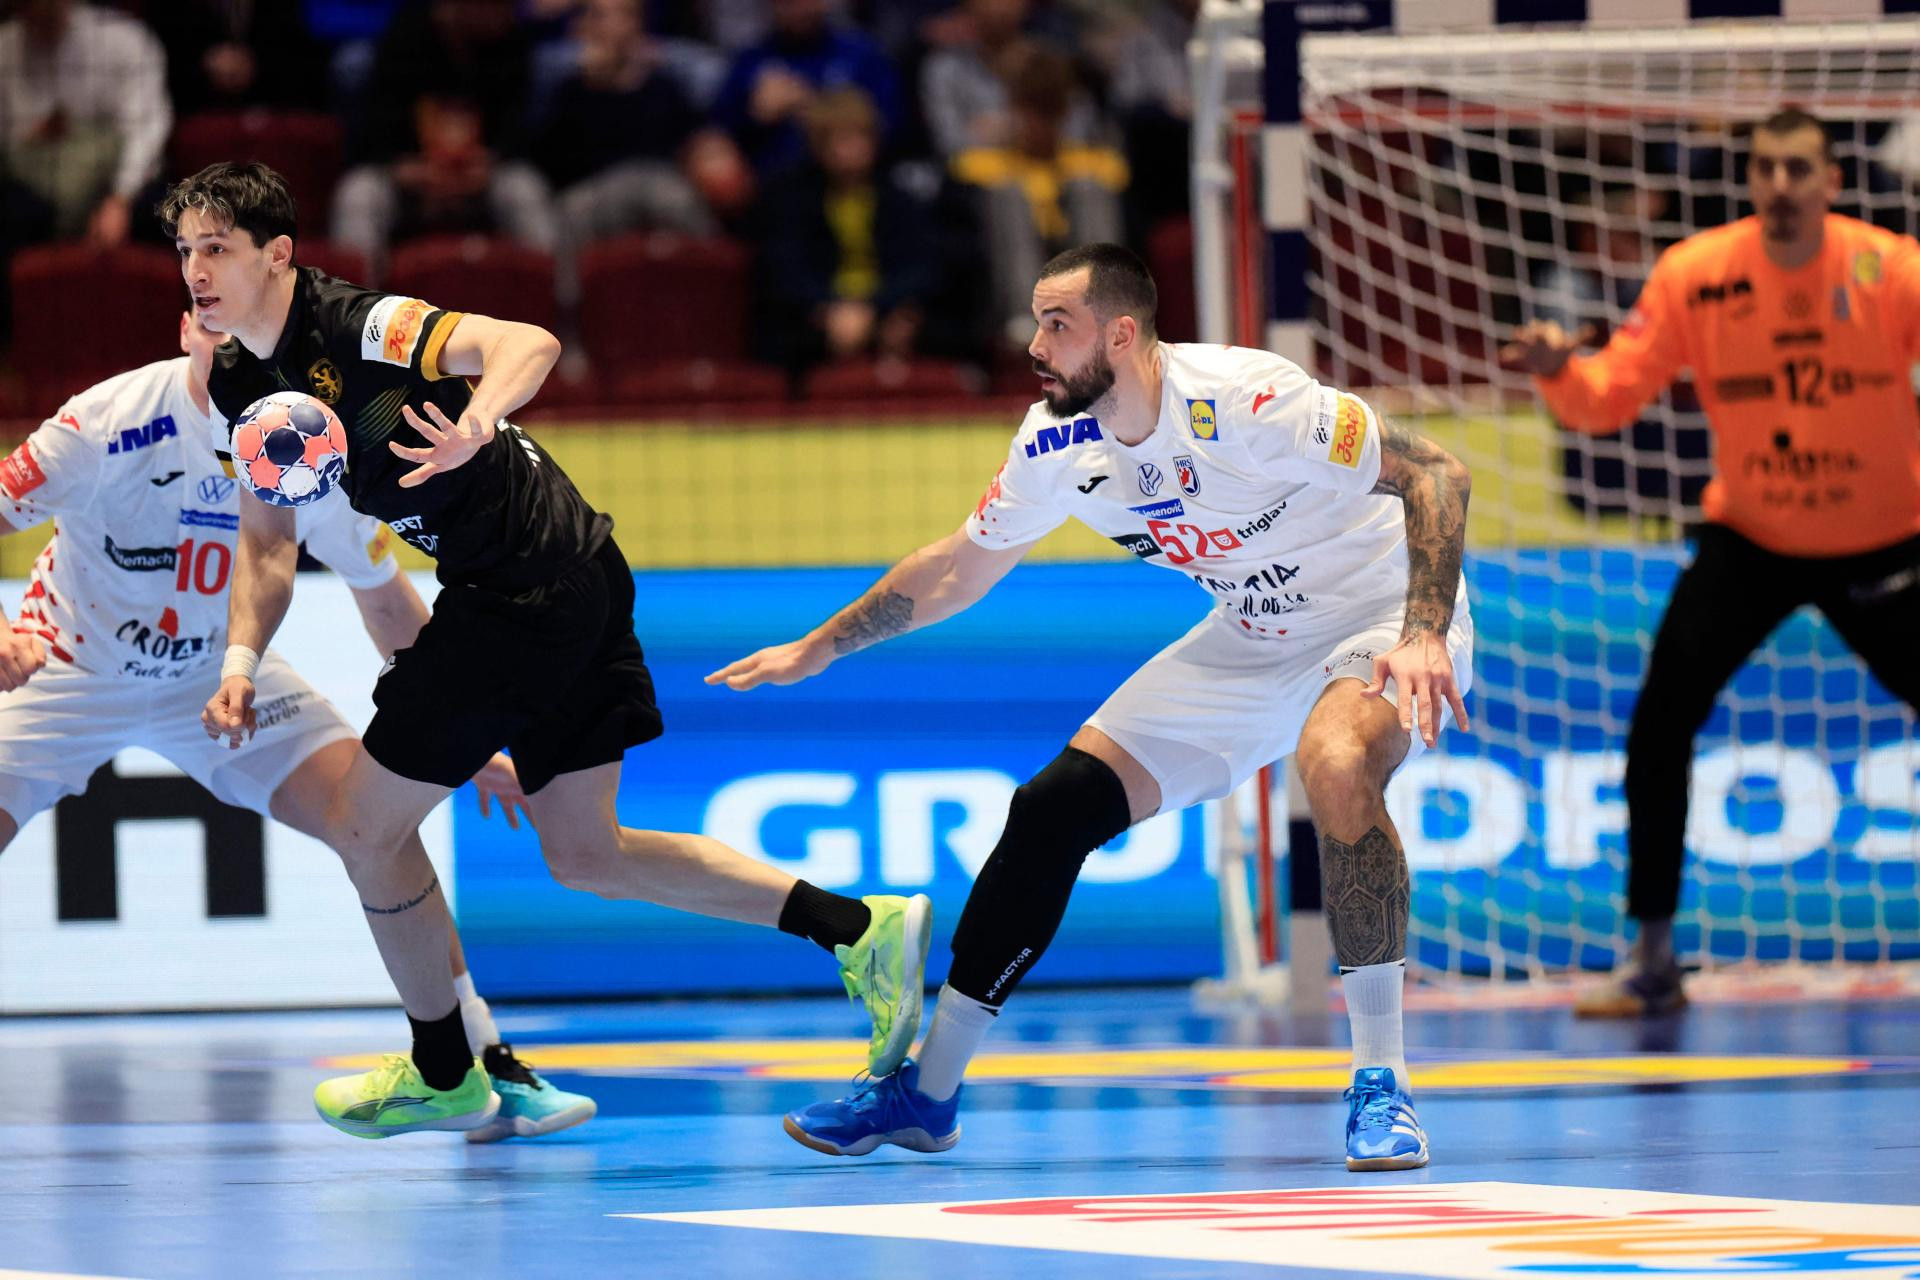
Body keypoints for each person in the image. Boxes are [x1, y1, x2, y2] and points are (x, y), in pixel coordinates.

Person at [169, 161, 929, 1137]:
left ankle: (444, 1068)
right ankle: (859, 928)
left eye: (217, 247)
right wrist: (239, 664)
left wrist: (476, 421)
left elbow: (527, 341)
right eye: (184, 250)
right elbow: (268, 543)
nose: (196, 269)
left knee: (362, 828)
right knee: (587, 853)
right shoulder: (239, 381)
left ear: (278, 254)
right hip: (572, 576)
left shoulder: (361, 324)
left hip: (523, 594)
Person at [712, 243, 1474, 1171]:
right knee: (1051, 809)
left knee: (1337, 761)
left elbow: (1438, 473)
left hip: (1380, 612)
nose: (1035, 346)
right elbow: (957, 568)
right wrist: (821, 646)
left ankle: (1382, 1085)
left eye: (1056, 325)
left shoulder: (1245, 401)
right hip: (1252, 633)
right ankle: (927, 1095)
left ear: (1120, 334)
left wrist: (1424, 631)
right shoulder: (1054, 443)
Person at [0, 310, 594, 1143]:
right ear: (184, 329)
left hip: (221, 675)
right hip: (67, 663)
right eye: (212, 326)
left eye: (246, 334)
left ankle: (480, 1061)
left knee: (376, 826)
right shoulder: (107, 420)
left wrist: (468, 732)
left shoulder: (306, 442)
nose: (230, 348)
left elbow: (385, 602)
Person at [1500, 107, 1920, 1017]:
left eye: (1799, 168)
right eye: (1766, 167)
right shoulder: (1697, 275)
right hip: (1753, 538)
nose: (1780, 185)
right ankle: (1653, 960)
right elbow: (1608, 397)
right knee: (1660, 723)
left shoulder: (1890, 271)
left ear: (1832, 180)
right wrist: (1557, 371)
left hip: (1883, 538)